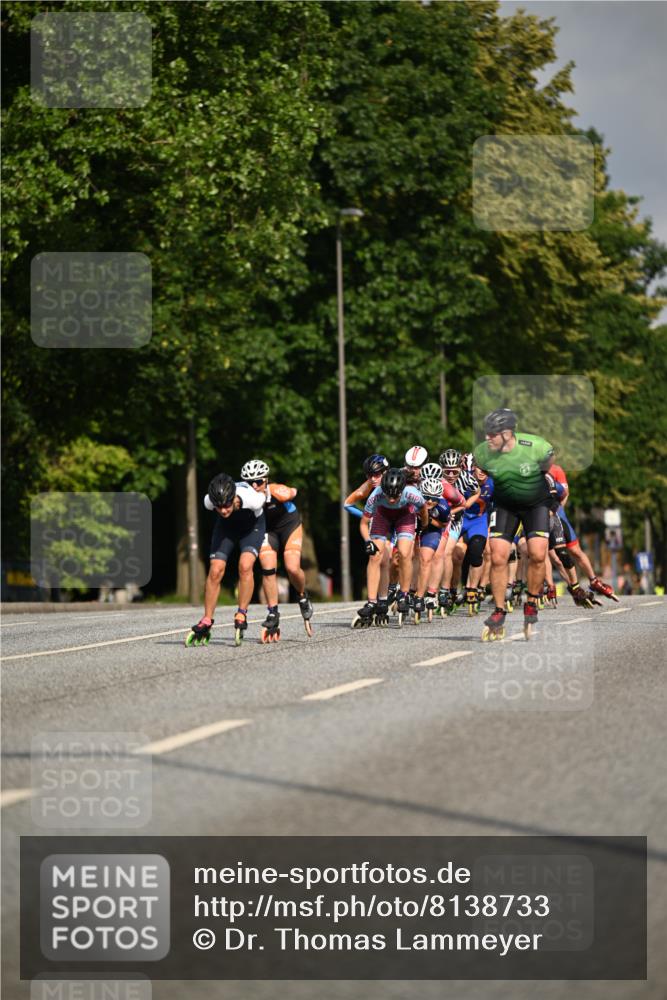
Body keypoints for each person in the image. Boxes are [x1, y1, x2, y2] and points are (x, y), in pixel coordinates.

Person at [473, 408, 554, 640]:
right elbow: (486, 473)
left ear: (507, 434)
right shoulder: (483, 453)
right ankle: (499, 611)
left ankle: (531, 602)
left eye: (492, 434)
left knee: (538, 554)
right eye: (486, 433)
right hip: (505, 505)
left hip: (535, 504)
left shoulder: (535, 446)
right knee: (498, 555)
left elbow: (549, 460)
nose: (487, 438)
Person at [185, 472, 266, 646]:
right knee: (215, 571)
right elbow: (218, 507)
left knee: (245, 566)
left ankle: (241, 613)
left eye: (227, 505)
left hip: (252, 528)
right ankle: (207, 620)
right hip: (226, 529)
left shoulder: (252, 499)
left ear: (234, 498)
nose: (223, 510)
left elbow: (264, 494)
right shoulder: (209, 501)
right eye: (218, 507)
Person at [241, 459, 313, 637]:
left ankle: (302, 595)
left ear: (266, 480)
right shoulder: (243, 498)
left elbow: (293, 492)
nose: (255, 486)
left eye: (259, 481)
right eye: (250, 483)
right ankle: (273, 611)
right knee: (267, 567)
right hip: (267, 530)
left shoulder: (274, 491)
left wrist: (288, 491)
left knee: (291, 567)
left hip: (289, 524)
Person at [352, 467, 425, 627]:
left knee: (405, 554)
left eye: (395, 496)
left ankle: (404, 594)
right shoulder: (376, 494)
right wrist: (367, 541)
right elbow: (364, 523)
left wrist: (422, 527)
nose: (391, 499)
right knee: (375, 555)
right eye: (388, 495)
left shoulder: (412, 493)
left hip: (405, 517)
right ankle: (372, 602)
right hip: (382, 516)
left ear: (402, 490)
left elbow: (424, 511)